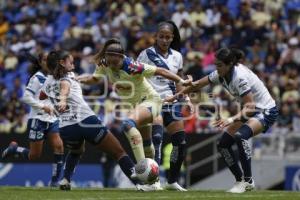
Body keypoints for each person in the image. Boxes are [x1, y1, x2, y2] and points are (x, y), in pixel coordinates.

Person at [166, 47, 278, 193]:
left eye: (219, 65)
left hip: (265, 110)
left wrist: (231, 119)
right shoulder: (221, 73)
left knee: (240, 136)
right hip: (249, 111)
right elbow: (198, 85)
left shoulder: (240, 77)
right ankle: (239, 181)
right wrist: (175, 96)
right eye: (215, 64)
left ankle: (248, 181)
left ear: (230, 64)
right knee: (223, 144)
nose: (216, 68)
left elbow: (250, 107)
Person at [77, 38, 191, 172]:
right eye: (109, 60)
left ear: (121, 57)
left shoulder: (132, 66)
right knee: (147, 146)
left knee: (127, 124)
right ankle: (154, 181)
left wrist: (181, 81)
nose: (112, 66)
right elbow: (94, 79)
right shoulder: (104, 64)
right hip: (135, 107)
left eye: (115, 62)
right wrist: (80, 79)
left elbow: (161, 71)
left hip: (150, 101)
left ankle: (142, 169)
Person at [42, 50, 148, 191]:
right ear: (61, 63)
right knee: (119, 152)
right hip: (86, 122)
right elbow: (64, 88)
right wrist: (62, 99)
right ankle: (141, 185)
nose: (73, 66)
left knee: (76, 151)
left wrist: (53, 100)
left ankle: (65, 180)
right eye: (71, 63)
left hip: (67, 128)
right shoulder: (67, 77)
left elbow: (43, 95)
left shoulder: (47, 82)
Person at [137, 21, 188, 191]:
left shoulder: (177, 56)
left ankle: (172, 181)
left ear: (172, 38)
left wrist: (185, 98)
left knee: (180, 142)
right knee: (157, 140)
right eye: (161, 37)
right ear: (156, 37)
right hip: (153, 101)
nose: (165, 40)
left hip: (172, 102)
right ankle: (153, 182)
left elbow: (179, 79)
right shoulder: (145, 54)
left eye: (168, 37)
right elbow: (137, 77)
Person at [1, 52, 64, 187]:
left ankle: (55, 181)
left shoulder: (55, 77)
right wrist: (43, 106)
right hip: (37, 119)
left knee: (59, 147)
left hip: (52, 119)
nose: (48, 62)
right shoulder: (37, 78)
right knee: (34, 155)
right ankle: (14, 149)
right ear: (40, 62)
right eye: (45, 60)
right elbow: (26, 97)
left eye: (50, 60)